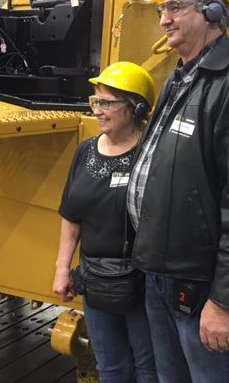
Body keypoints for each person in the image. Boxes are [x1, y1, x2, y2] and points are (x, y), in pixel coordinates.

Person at [127, 0, 229, 382]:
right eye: (163, 9)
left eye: (175, 7)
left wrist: (226, 301)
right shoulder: (181, 80)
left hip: (203, 288)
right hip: (164, 276)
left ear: (212, 13)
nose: (164, 19)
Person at [53, 61, 158, 383]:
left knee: (146, 367)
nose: (97, 110)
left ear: (135, 107)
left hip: (142, 283)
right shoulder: (86, 151)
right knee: (110, 366)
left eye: (107, 102)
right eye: (94, 101)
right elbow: (72, 217)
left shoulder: (153, 154)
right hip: (97, 279)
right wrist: (62, 270)